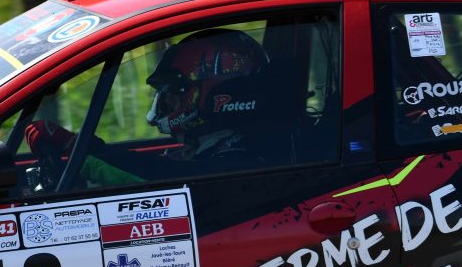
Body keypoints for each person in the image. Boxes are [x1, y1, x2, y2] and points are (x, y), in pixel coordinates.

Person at [24, 28, 282, 186]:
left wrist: (75, 149)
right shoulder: (211, 148)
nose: (166, 103)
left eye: (173, 93)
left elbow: (151, 177)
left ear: (216, 95)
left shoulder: (232, 164)